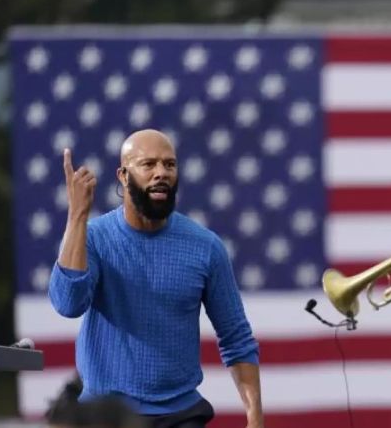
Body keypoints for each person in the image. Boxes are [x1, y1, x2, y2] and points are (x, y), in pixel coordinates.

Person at [48, 129, 264, 428]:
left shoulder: (206, 247)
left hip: (181, 415)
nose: (161, 173)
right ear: (123, 176)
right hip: (107, 415)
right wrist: (76, 216)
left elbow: (237, 338)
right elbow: (68, 304)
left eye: (169, 165)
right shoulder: (94, 237)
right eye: (148, 165)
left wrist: (254, 417)